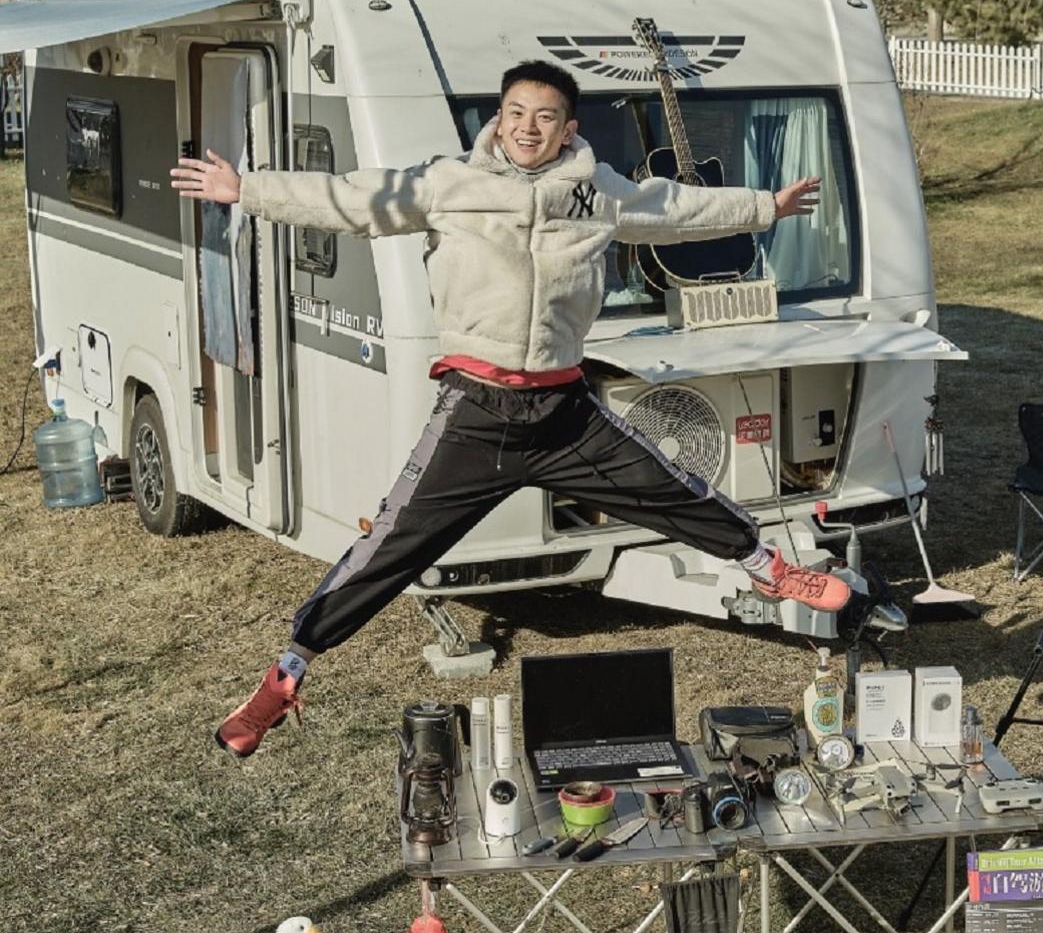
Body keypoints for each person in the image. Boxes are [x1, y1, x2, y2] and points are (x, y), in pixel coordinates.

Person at [171, 59, 851, 757]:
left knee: (670, 485)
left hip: (563, 410)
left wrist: (765, 206)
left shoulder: (597, 192)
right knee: (392, 547)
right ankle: (285, 676)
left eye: (546, 116)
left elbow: (674, 210)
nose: (529, 127)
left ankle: (768, 568)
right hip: (478, 412)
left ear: (568, 129)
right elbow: (350, 199)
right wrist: (245, 189)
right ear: (499, 118)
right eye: (517, 112)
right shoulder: (449, 183)